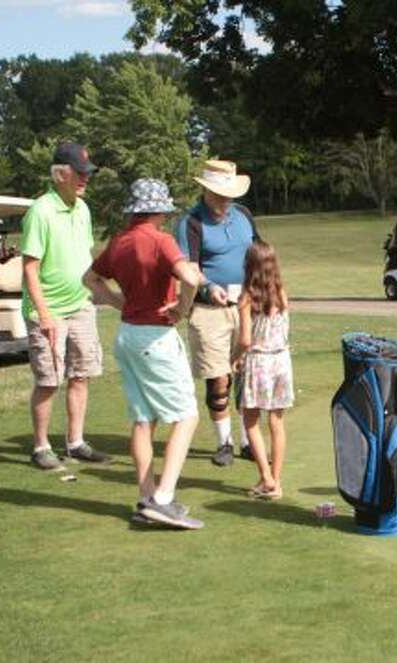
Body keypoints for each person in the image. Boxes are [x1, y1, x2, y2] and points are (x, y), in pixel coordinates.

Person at [83, 178, 208, 529]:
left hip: (127, 336)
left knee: (143, 419)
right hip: (156, 338)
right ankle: (163, 499)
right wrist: (183, 308)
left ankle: (145, 497)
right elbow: (191, 277)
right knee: (187, 417)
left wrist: (118, 302)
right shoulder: (160, 239)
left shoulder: (119, 240)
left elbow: (90, 279)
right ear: (160, 210)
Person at [21, 142, 111, 470]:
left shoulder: (83, 210)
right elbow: (30, 267)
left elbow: (86, 259)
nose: (85, 178)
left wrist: (103, 293)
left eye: (87, 173)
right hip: (48, 310)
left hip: (80, 304)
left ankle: (75, 442)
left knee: (81, 374)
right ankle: (41, 446)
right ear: (60, 174)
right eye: (79, 173)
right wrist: (44, 314)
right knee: (48, 379)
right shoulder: (40, 211)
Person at [174, 159, 259, 467]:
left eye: (229, 194)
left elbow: (259, 252)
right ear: (206, 190)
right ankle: (224, 442)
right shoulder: (191, 222)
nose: (226, 200)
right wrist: (208, 287)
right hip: (210, 309)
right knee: (218, 376)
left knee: (248, 375)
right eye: (220, 194)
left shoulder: (243, 216)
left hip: (246, 305)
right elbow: (189, 269)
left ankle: (250, 440)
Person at [234, 241, 294, 500]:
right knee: (276, 422)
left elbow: (245, 339)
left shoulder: (247, 296)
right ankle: (275, 481)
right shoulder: (281, 292)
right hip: (281, 360)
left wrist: (233, 358)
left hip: (258, 362)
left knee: (250, 422)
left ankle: (266, 478)